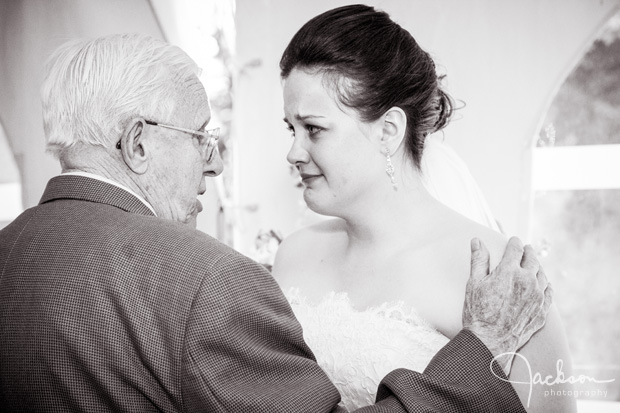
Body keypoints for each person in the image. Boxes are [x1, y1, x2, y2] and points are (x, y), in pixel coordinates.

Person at [0, 33, 549, 413]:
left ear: (388, 131)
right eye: (200, 138)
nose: (215, 163)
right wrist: (482, 353)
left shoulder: (9, 251)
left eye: (312, 127)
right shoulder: (209, 277)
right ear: (137, 143)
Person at [273, 4, 576, 412]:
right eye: (291, 129)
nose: (293, 152)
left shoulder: (498, 279)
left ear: (388, 131)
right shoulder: (293, 255)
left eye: (313, 129)